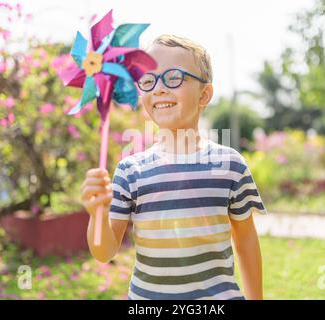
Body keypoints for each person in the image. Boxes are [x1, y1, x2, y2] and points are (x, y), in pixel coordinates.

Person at [80, 34, 267, 300]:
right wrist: (97, 213)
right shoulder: (130, 170)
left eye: (173, 78)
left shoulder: (231, 165)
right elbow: (104, 252)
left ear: (204, 94)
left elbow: (246, 240)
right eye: (148, 80)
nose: (158, 88)